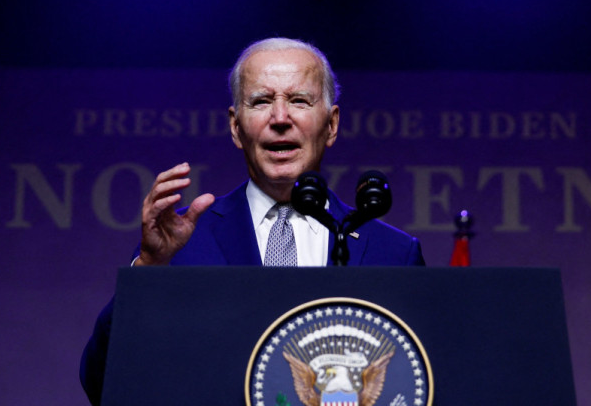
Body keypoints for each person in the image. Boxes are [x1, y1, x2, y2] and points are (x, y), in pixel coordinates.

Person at [80, 37, 426, 405]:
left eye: (298, 101)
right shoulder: (181, 244)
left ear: (332, 124)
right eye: (261, 101)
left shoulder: (393, 253)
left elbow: (424, 381)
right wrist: (147, 271)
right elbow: (104, 383)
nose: (280, 119)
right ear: (235, 126)